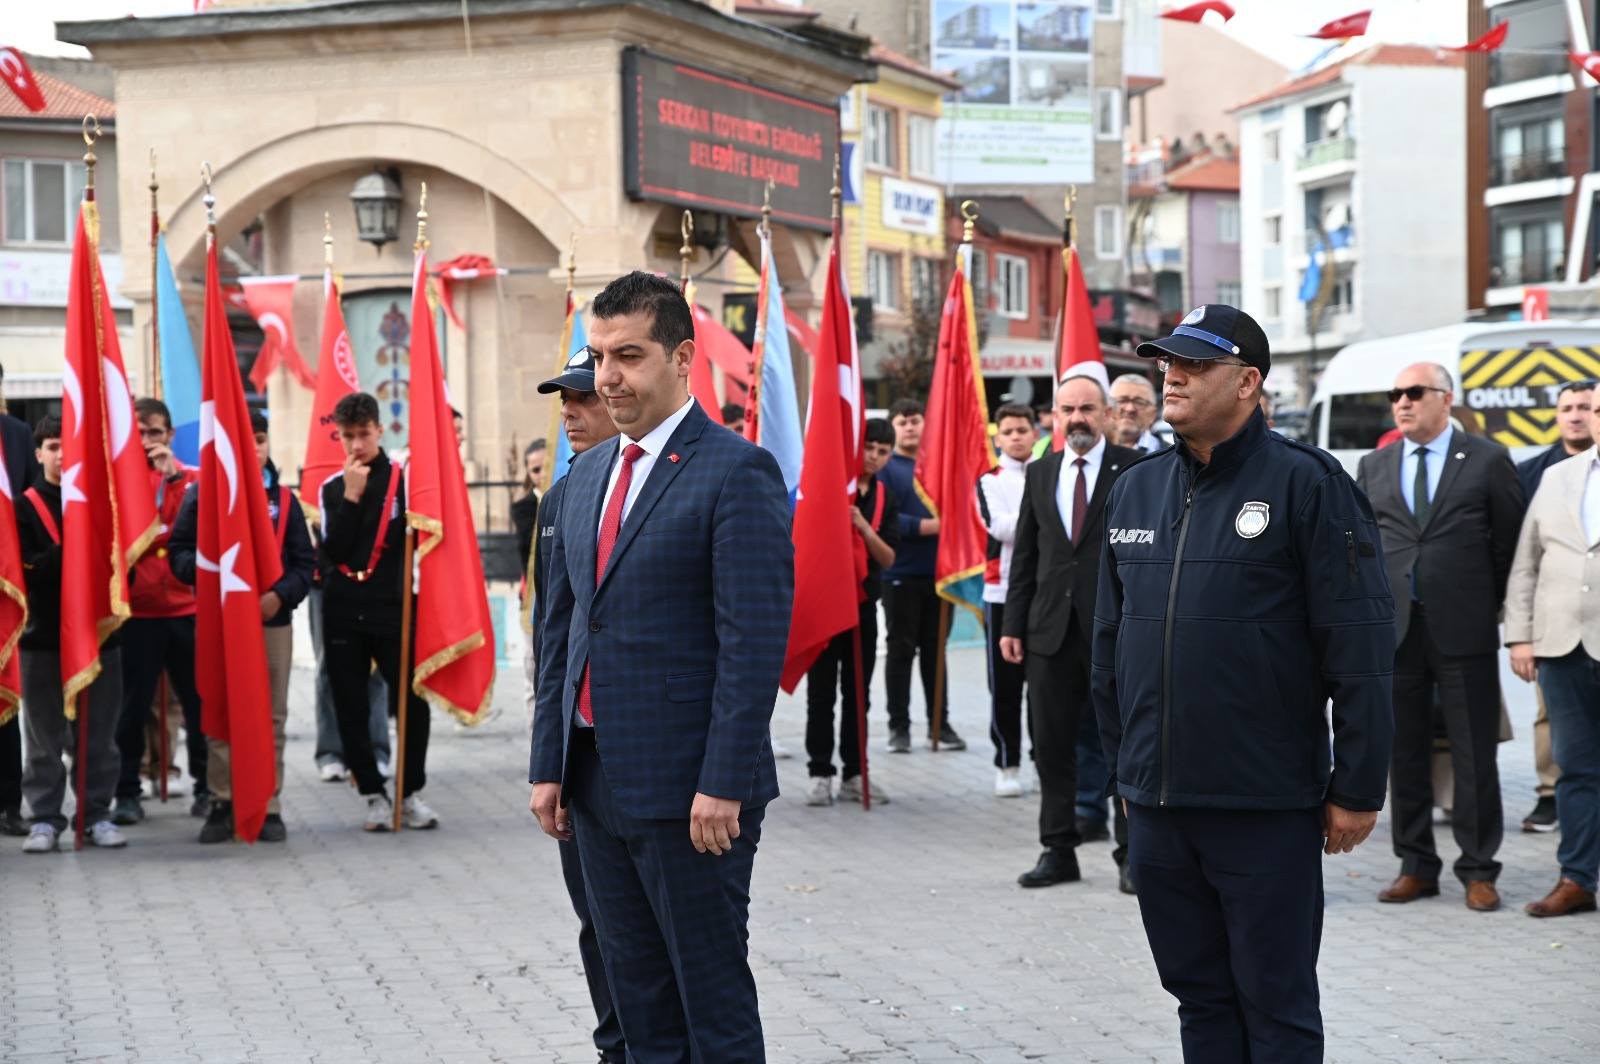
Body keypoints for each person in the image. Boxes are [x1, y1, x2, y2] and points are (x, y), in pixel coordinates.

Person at [1095, 304, 1394, 1061]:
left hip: (1263, 805)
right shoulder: (1136, 489)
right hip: (1159, 807)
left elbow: (1358, 647)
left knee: (1277, 1004)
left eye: (1195, 365)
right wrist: (1122, 772)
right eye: (1169, 363)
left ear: (1249, 383)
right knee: (1200, 999)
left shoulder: (1309, 485)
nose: (1174, 377)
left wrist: (1357, 787)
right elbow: (1108, 646)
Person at [529, 271, 793, 1061]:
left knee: (709, 1006)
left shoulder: (733, 471)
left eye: (630, 356)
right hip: (594, 788)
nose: (609, 377)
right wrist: (550, 762)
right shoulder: (584, 483)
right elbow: (561, 637)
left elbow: (751, 646)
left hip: (692, 793)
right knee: (635, 1003)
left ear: (682, 359)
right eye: (601, 357)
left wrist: (723, 783)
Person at [1357, 362, 1525, 912]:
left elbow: (1508, 544)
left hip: (1463, 626)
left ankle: (1479, 868)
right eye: (1395, 393)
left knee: (1474, 751)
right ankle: (1416, 865)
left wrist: (1481, 601)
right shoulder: (1375, 465)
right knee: (1402, 751)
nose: (1401, 402)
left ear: (1445, 399)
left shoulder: (1486, 459)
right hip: (1397, 629)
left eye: (1414, 393)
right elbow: (1362, 546)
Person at [528, 346, 626, 1064]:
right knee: (597, 921)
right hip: (582, 757)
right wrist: (546, 765)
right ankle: (613, 1046)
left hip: (654, 759)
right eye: (564, 400)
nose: (572, 413)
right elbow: (551, 641)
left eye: (584, 397)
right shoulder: (562, 497)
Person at [1002, 380, 1139, 890]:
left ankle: (1131, 855)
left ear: (1106, 412)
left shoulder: (1135, 468)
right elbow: (1026, 557)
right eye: (1067, 410)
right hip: (1048, 634)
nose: (1077, 418)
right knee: (1051, 748)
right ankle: (1057, 850)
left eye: (1087, 408)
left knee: (1124, 746)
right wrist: (1014, 625)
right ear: (1053, 417)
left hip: (1116, 631)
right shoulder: (1040, 473)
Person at [168, 411, 315, 844]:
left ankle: (268, 803)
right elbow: (178, 552)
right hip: (219, 621)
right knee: (220, 709)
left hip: (272, 622)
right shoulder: (202, 496)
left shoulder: (285, 501)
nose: (254, 447)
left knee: (271, 716)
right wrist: (209, 577)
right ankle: (222, 800)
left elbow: (304, 565)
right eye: (244, 439)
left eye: (262, 438)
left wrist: (280, 596)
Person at [320, 392, 436, 832]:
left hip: (394, 606)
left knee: (412, 700)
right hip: (344, 609)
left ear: (379, 431)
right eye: (347, 436)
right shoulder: (331, 487)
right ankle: (371, 792)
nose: (356, 445)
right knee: (349, 704)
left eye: (363, 434)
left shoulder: (403, 480)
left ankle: (408, 792)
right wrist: (351, 498)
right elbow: (333, 551)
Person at [1505, 395, 1600, 918]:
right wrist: (1520, 636)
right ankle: (1577, 878)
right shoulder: (1559, 477)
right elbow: (1527, 564)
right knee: (1576, 768)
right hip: (1562, 645)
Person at [17, 417, 128, 852]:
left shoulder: (104, 503)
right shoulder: (22, 507)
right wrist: (70, 552)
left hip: (101, 636)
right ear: (40, 453)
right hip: (43, 638)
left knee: (100, 732)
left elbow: (122, 566)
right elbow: (24, 570)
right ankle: (45, 817)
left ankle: (97, 813)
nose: (63, 455)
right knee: (44, 735)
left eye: (70, 446)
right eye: (53, 446)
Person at [113, 397, 205, 825]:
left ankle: (206, 785)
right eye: (141, 433)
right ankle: (127, 789)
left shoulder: (192, 479)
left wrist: (172, 481)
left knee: (197, 703)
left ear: (169, 434)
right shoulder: (120, 484)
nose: (148, 441)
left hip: (188, 607)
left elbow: (192, 532)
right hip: (141, 612)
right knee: (132, 707)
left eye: (155, 432)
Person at [805, 417, 899, 806]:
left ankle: (854, 771)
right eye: (870, 449)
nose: (875, 457)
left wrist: (862, 526)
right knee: (821, 692)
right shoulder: (833, 487)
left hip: (862, 606)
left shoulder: (884, 497)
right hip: (827, 605)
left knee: (858, 694)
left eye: (882, 451)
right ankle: (820, 771)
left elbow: (889, 558)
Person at [1513, 378, 1593, 832]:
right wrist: (1520, 628)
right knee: (1552, 714)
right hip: (1555, 620)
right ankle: (1549, 793)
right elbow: (1521, 553)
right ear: (1558, 415)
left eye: (1587, 407)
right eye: (1569, 408)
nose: (1578, 416)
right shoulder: (1536, 473)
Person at [878, 397, 964, 752]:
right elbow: (884, 517)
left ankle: (939, 725)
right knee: (901, 652)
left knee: (936, 652)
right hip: (900, 574)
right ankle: (899, 727)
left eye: (916, 421)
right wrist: (927, 527)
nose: (911, 427)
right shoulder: (887, 467)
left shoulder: (938, 466)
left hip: (940, 576)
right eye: (903, 422)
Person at [977, 403, 1036, 798]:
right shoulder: (989, 480)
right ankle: (1007, 762)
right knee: (1005, 685)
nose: (1016, 437)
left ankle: (1044, 759)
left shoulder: (1050, 472)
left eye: (1022, 429)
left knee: (1046, 685)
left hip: (1043, 592)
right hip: (1002, 592)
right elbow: (999, 527)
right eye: (1009, 431)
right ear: (998, 437)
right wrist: (1043, 516)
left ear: (1035, 433)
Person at [0, 364, 37, 839]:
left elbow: (28, 501)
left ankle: (10, 802)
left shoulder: (15, 433)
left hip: (5, 585)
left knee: (6, 702)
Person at [1109, 373, 1163, 452]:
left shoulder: (1174, 457)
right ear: (1107, 408)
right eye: (1122, 401)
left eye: (1139, 402)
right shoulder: (1088, 450)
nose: (1130, 409)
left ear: (1153, 413)